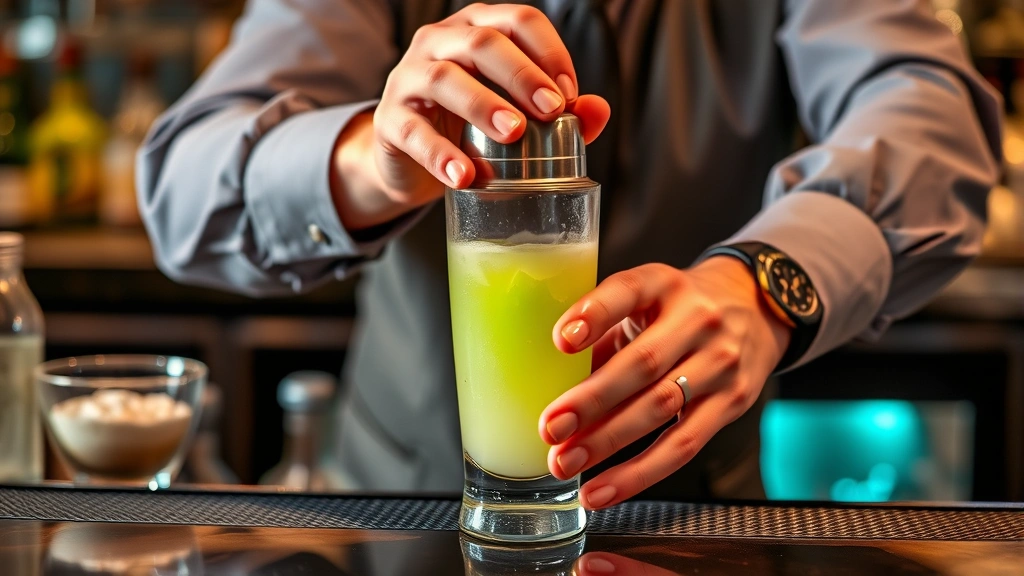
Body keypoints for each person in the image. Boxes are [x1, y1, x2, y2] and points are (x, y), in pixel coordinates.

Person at [138, 0, 1002, 508]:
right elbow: (182, 185)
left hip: (699, 513)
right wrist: (372, 159)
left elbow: (931, 116)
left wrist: (770, 285)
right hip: (406, 511)